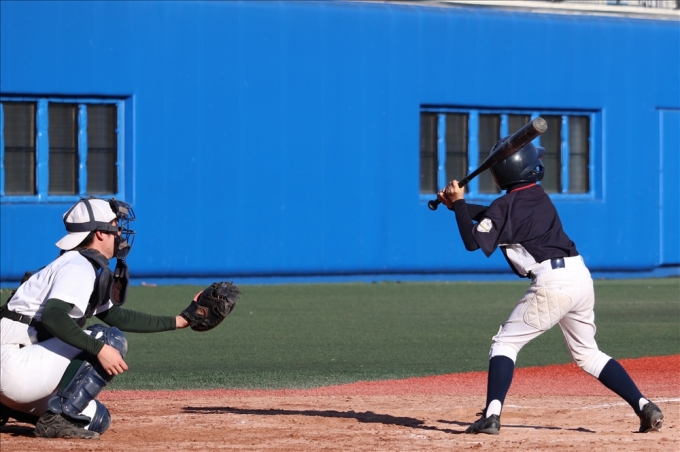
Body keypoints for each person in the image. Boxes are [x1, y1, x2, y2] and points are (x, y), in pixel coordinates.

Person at [436, 141, 663, 435]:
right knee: (588, 354)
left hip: (553, 283)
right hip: (579, 276)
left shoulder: (505, 206)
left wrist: (460, 205)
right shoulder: (538, 195)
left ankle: (491, 416)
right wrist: (457, 206)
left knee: (504, 344)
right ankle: (644, 406)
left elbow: (473, 240)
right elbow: (495, 216)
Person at [0, 197, 192, 440]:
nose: (120, 233)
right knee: (107, 339)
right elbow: (54, 316)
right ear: (100, 233)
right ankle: (56, 419)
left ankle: (7, 406)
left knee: (95, 419)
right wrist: (99, 349)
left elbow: (117, 316)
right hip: (13, 364)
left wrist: (180, 320)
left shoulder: (78, 263)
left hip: (17, 363)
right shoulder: (78, 265)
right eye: (115, 226)